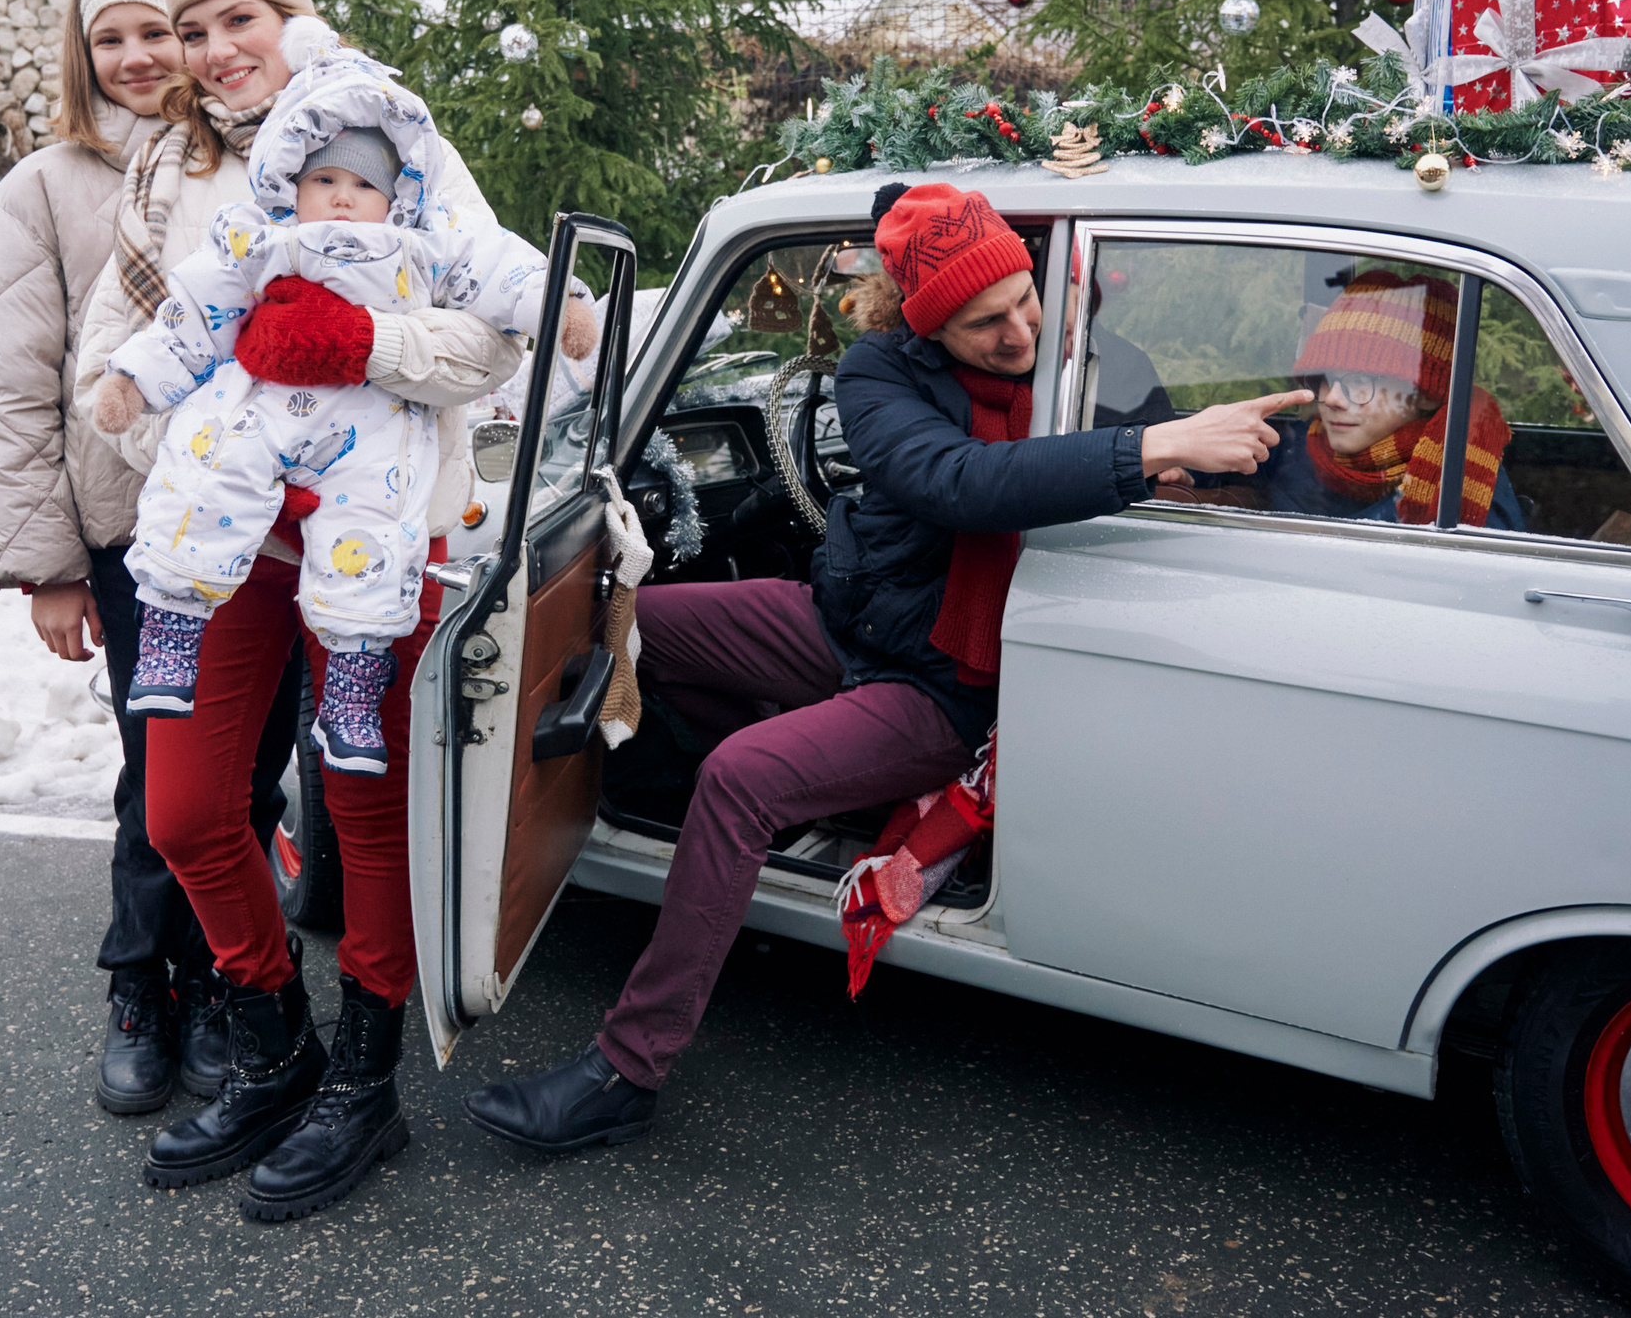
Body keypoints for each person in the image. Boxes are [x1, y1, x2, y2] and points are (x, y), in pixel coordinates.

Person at [463, 179, 1309, 1152]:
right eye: (982, 321)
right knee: (620, 625)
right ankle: (741, 838)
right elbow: (954, 481)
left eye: (1023, 299)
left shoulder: (1096, 365)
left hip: (942, 683)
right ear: (926, 325)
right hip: (843, 625)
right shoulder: (878, 374)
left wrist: (1197, 454)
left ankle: (627, 1067)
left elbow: (1139, 475)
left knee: (742, 779)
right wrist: (1148, 448)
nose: (1018, 332)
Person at [71, 0, 523, 1221]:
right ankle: (273, 1042)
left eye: (237, 20)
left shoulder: (384, 133)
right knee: (188, 807)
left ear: (289, 13)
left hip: (372, 529)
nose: (214, 50)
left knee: (361, 803)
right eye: (193, 26)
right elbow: (140, 348)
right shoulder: (170, 161)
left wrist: (357, 345)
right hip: (228, 538)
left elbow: (483, 340)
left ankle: (364, 1081)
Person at [88, 31, 573, 764]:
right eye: (324, 182)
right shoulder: (260, 237)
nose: (343, 198)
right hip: (262, 402)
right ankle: (172, 628)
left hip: (369, 419)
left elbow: (500, 269)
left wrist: (560, 304)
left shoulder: (425, 240)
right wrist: (134, 380)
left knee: (375, 526)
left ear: (396, 195)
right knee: (203, 464)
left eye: (364, 186)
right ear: (292, 182)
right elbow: (193, 312)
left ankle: (352, 683)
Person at [0, 0, 271, 1118]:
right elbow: (11, 382)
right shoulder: (44, 190)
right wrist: (45, 562)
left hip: (258, 533)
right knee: (163, 775)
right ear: (82, 56)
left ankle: (221, 981)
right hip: (134, 536)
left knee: (250, 773)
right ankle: (142, 985)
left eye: (163, 32)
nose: (144, 57)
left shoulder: (248, 159)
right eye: (114, 39)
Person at [1186, 271, 1524, 529]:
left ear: (1422, 393)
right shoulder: (1302, 445)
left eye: (1360, 382)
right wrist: (1187, 470)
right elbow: (1237, 462)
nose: (1331, 399)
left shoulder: (1461, 484)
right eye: (1325, 378)